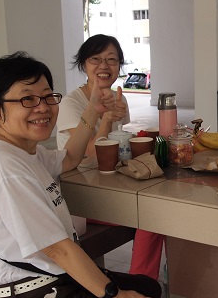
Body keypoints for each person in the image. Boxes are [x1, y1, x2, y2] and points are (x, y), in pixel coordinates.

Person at [0, 52, 183, 298]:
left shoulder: (22, 153)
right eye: (27, 99)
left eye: (47, 96)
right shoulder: (5, 168)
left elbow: (68, 159)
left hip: (54, 283)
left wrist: (93, 111)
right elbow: (58, 249)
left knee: (148, 288)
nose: (42, 107)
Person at [56, 34, 164, 281]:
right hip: (78, 196)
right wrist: (104, 118)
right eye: (95, 59)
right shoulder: (70, 104)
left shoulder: (119, 98)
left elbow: (119, 146)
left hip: (107, 185)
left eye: (112, 60)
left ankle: (146, 282)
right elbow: (90, 156)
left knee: (159, 207)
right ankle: (140, 286)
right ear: (83, 64)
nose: (104, 66)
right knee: (152, 218)